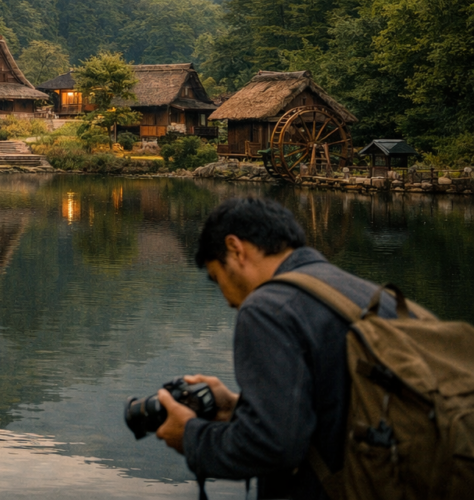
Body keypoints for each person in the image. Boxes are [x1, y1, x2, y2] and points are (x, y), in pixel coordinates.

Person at [155, 196, 404, 499]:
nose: (228, 300)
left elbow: (272, 447)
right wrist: (240, 408)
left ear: (235, 249)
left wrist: (192, 437)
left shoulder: (267, 307)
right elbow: (339, 412)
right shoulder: (368, 294)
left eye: (217, 278)